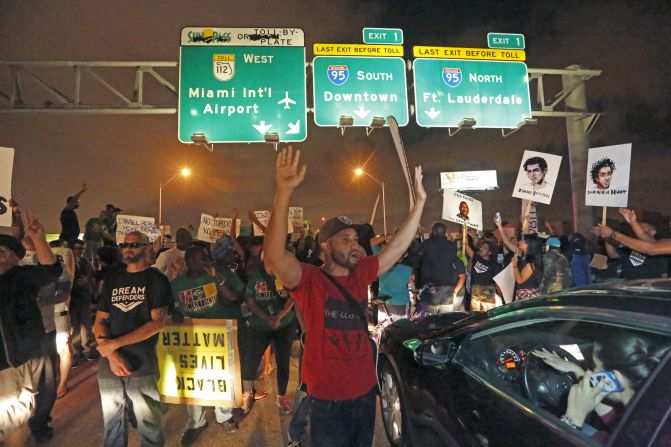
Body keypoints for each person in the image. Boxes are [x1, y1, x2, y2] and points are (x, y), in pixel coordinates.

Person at [263, 146, 427, 447]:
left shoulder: (360, 273)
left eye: (357, 238)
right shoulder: (309, 279)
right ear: (324, 246)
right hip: (325, 401)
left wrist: (419, 205)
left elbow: (397, 247)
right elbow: (274, 255)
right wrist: (283, 191)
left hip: (365, 394)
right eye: (346, 238)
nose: (356, 244)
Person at [93, 231, 170, 447]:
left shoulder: (156, 280)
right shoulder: (113, 280)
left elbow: (157, 322)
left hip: (141, 362)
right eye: (124, 244)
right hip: (109, 363)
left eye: (135, 244)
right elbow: (99, 320)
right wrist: (112, 354)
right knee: (112, 424)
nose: (128, 248)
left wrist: (115, 345)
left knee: (148, 424)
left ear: (147, 247)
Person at [533, 331, 670, 442]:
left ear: (613, 380)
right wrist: (577, 371)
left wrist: (573, 417)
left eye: (595, 366)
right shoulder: (654, 412)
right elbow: (615, 422)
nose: (591, 371)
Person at [170, 246, 242, 446]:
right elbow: (173, 307)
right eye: (197, 259)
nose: (201, 262)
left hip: (216, 335)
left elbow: (234, 297)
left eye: (204, 258)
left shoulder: (214, 277)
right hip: (192, 337)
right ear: (188, 261)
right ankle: (196, 422)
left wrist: (216, 275)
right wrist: (175, 314)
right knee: (194, 382)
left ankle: (224, 416)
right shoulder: (177, 284)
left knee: (221, 379)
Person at [0, 212, 61, 446]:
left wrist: (39, 239)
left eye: (3, 253)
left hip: (11, 364)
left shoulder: (21, 278)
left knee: (14, 419)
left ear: (16, 259)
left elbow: (51, 271)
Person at [241, 259, 296, 416]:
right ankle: (247, 394)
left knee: (283, 360)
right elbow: (250, 302)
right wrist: (266, 318)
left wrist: (279, 316)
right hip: (259, 325)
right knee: (251, 359)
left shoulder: (285, 274)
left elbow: (293, 297)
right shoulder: (255, 276)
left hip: (284, 324)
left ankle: (281, 396)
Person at [600, 209, 668, 280]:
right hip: (631, 285)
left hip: (650, 288)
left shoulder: (661, 249)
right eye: (636, 228)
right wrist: (607, 238)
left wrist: (612, 233)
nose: (637, 230)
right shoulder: (632, 245)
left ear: (653, 231)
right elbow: (613, 254)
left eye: (642, 228)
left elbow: (651, 248)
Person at [414, 222, 466, 314]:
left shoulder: (426, 244)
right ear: (445, 232)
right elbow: (461, 273)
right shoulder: (451, 246)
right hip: (447, 290)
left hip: (430, 289)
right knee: (445, 320)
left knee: (429, 319)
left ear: (433, 232)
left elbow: (415, 259)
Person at [69, 239, 98, 364]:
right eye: (78, 249)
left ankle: (87, 350)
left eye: (82, 249)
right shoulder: (66, 262)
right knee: (73, 328)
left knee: (86, 327)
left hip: (84, 298)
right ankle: (75, 353)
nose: (80, 252)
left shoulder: (85, 261)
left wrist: (87, 280)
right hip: (71, 299)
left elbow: (93, 275)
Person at [466, 240, 501, 312]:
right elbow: (466, 246)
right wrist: (465, 234)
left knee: (487, 315)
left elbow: (497, 281)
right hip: (475, 290)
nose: (481, 249)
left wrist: (500, 295)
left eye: (485, 248)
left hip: (487, 291)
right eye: (481, 247)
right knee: (475, 315)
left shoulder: (493, 265)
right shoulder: (477, 258)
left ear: (489, 252)